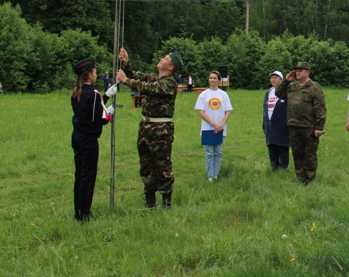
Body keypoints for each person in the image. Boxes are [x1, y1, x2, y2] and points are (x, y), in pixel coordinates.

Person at [116, 48, 183, 209]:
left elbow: (147, 88)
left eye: (165, 58)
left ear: (170, 67)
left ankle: (166, 202)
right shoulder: (155, 78)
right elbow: (136, 75)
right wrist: (126, 63)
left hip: (161, 130)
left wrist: (126, 81)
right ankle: (149, 201)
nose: (161, 58)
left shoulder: (169, 83)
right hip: (146, 128)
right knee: (146, 165)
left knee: (162, 166)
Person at [71, 59, 113, 222]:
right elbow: (100, 117)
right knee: (88, 176)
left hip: (77, 136)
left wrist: (106, 96)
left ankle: (78, 211)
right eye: (95, 72)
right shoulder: (93, 93)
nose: (96, 75)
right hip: (89, 139)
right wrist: (110, 112)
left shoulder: (78, 91)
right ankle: (85, 214)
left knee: (80, 175)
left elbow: (91, 107)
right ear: (89, 75)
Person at [275, 62, 326, 185]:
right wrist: (286, 80)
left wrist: (319, 127)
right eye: (296, 70)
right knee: (297, 154)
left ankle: (310, 178)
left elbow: (320, 108)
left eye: (300, 70)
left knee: (310, 154)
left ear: (307, 72)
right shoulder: (292, 87)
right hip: (293, 125)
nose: (297, 72)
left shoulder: (314, 87)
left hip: (309, 126)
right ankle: (301, 178)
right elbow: (278, 93)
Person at [196, 71, 233, 181]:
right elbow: (201, 112)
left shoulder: (223, 94)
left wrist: (221, 125)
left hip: (221, 128)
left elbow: (228, 111)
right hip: (207, 128)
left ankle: (216, 175)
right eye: (210, 78)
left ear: (218, 80)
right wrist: (214, 124)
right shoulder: (204, 94)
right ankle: (210, 176)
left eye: (214, 78)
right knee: (209, 153)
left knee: (218, 152)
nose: (212, 80)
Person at [262, 70, 290, 171]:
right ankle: (274, 168)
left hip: (282, 125)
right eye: (272, 78)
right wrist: (264, 125)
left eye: (276, 78)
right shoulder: (269, 92)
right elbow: (265, 109)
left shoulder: (286, 92)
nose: (273, 80)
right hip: (270, 125)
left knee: (282, 147)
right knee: (272, 147)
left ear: (281, 80)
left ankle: (283, 169)